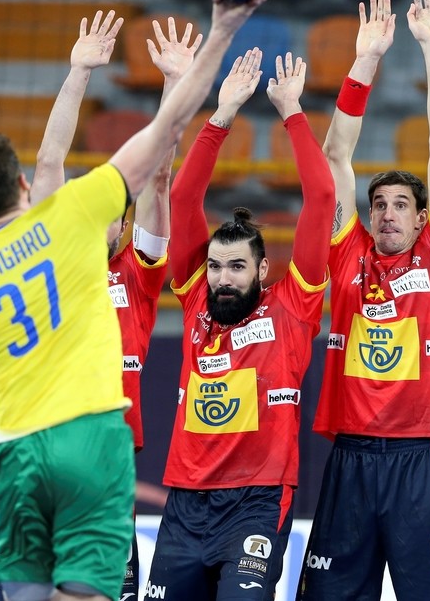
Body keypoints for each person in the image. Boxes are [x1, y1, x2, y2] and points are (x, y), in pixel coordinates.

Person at [0, 0, 270, 601]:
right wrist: (219, 32)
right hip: (92, 440)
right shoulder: (74, 217)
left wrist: (74, 77)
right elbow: (153, 146)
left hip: (17, 445)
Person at [0, 11, 194, 601]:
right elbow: (47, 166)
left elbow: (160, 178)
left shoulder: (139, 276)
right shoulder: (45, 260)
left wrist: (174, 85)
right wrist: (77, 73)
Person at [297, 0, 430, 600]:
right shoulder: (348, 254)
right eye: (380, 205)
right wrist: (365, 59)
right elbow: (333, 159)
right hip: (350, 460)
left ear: (425, 219)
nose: (389, 213)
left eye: (402, 204)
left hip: (422, 460)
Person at [143, 47, 333, 601]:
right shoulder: (199, 300)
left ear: (261, 269)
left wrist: (291, 112)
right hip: (184, 501)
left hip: (255, 503)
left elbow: (321, 197)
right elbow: (182, 197)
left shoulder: (292, 306)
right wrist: (221, 114)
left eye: (236, 268)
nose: (223, 278)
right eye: (216, 267)